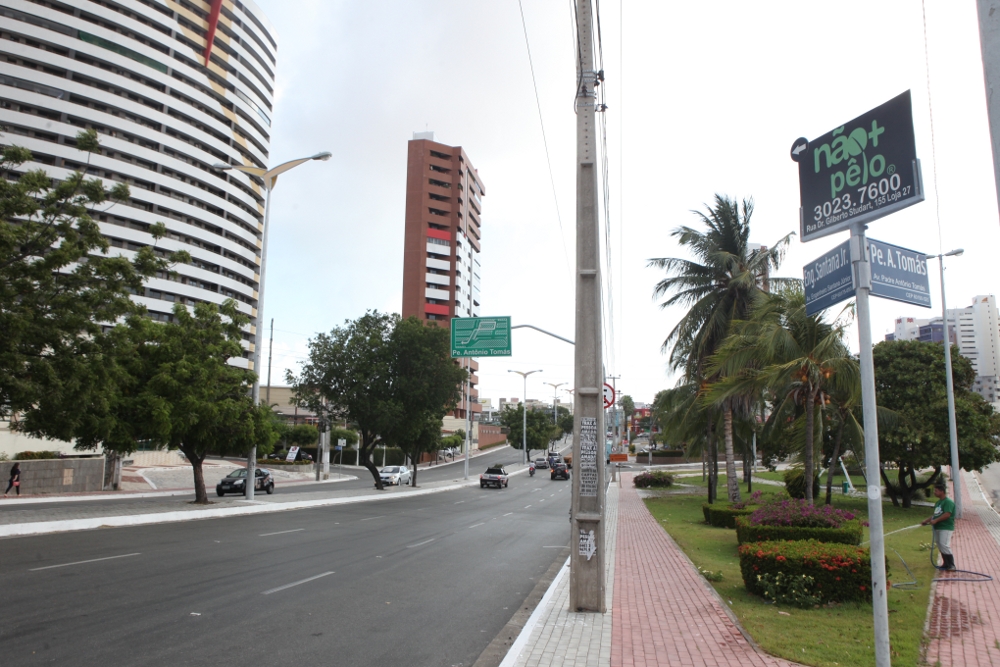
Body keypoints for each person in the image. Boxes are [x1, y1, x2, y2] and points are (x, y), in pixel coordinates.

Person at [922, 480, 957, 571]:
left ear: (942, 491)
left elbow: (947, 514)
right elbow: (936, 514)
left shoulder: (948, 502)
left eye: (936, 491)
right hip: (938, 527)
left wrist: (936, 520)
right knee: (940, 545)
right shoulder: (938, 503)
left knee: (944, 544)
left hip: (946, 527)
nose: (934, 492)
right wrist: (926, 521)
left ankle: (951, 565)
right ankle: (946, 563)